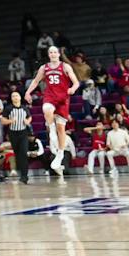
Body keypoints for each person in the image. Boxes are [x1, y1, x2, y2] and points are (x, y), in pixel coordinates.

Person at [23, 45, 78, 176]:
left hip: (63, 98)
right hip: (50, 95)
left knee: (61, 129)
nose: (53, 54)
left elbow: (76, 82)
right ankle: (50, 127)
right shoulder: (44, 67)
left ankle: (60, 154)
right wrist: (27, 92)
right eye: (50, 52)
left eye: (55, 52)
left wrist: (73, 89)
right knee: (46, 109)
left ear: (58, 54)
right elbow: (36, 81)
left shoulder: (65, 66)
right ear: (48, 55)